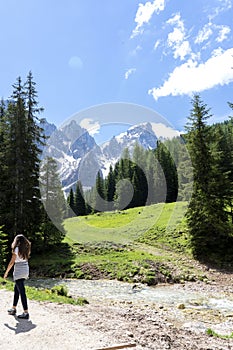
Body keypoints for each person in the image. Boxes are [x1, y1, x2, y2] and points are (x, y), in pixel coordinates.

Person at [3, 234, 31, 319]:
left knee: (22, 292)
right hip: (25, 269)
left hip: (19, 270)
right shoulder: (26, 248)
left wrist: (6, 272)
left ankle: (26, 312)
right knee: (17, 289)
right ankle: (13, 308)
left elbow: (12, 262)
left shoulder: (16, 249)